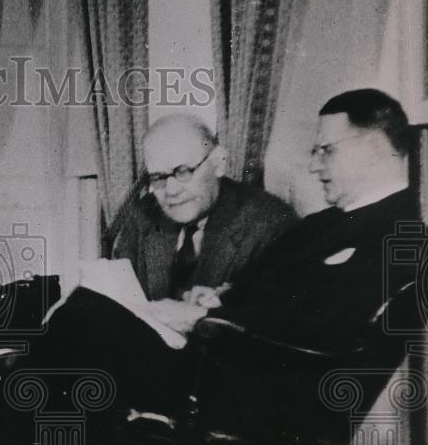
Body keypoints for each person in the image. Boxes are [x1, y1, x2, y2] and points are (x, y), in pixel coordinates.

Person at [0, 89, 428, 403]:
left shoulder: (399, 237)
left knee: (88, 320)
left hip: (246, 389)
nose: (314, 165)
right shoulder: (329, 226)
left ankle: (8, 388)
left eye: (326, 149)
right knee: (77, 352)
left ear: (376, 147)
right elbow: (285, 299)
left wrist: (209, 317)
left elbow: (325, 331)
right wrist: (221, 298)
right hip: (227, 369)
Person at [111, 114, 297, 308]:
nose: (171, 190)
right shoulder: (143, 215)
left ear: (218, 163)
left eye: (183, 172)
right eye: (158, 178)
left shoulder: (270, 223)